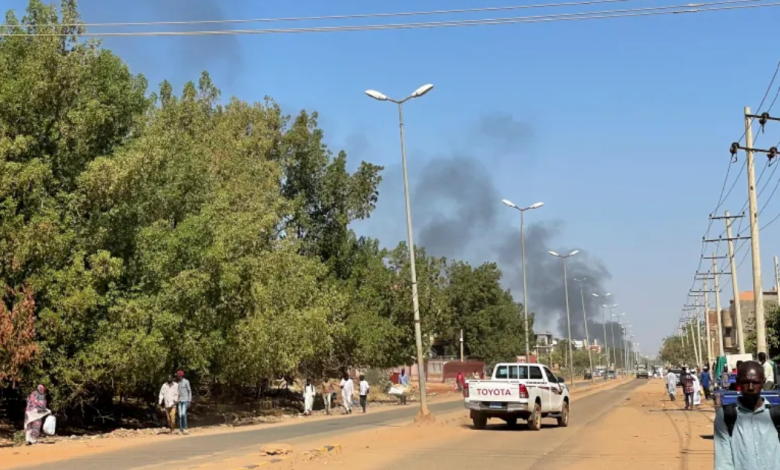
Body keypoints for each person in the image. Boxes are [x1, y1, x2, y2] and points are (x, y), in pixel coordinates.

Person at [714, 361, 780, 470]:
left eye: (755, 382)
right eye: (745, 382)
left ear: (763, 382)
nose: (750, 387)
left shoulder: (776, 414)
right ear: (737, 382)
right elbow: (723, 463)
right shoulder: (726, 415)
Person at [176, 370, 192, 435]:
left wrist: (189, 400)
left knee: (183, 414)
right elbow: (178, 393)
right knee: (180, 415)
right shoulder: (178, 383)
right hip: (180, 401)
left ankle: (185, 428)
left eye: (178, 375)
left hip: (185, 400)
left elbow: (189, 391)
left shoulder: (186, 381)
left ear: (180, 376)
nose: (177, 376)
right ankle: (181, 429)